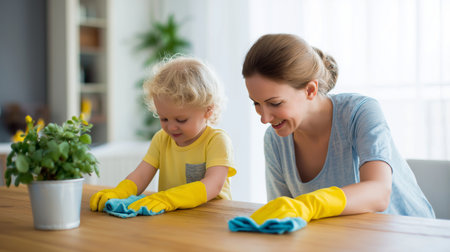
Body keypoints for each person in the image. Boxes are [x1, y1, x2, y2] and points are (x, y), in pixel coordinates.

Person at [242, 33, 435, 225]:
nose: (264, 118)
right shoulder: (275, 139)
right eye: (256, 104)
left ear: (310, 90)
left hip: (412, 234)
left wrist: (312, 204)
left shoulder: (360, 112)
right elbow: (283, 216)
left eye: (275, 103)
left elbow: (379, 192)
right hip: (346, 239)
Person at [90, 56, 236, 214]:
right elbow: (141, 175)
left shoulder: (216, 140)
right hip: (174, 218)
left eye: (181, 120)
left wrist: (169, 199)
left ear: (208, 110)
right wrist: (120, 192)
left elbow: (213, 185)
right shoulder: (161, 139)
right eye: (164, 118)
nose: (171, 127)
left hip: (212, 219)